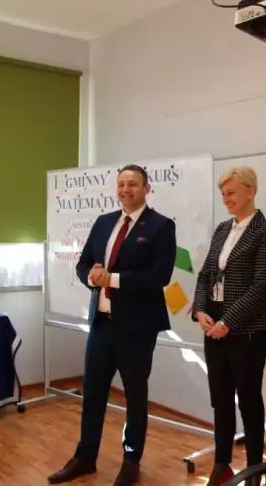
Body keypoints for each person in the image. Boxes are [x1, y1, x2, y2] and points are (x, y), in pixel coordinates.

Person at [48, 164, 177, 486]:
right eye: (121, 184)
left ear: (147, 188)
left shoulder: (161, 226)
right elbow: (83, 263)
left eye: (132, 184)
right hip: (101, 325)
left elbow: (160, 276)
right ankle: (85, 457)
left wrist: (113, 279)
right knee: (93, 393)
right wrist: (91, 277)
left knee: (135, 397)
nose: (125, 190)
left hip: (137, 329)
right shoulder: (104, 222)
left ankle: (131, 461)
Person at [191, 166, 266, 486]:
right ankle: (221, 465)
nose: (226, 198)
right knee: (220, 398)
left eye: (231, 192)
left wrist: (228, 321)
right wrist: (199, 310)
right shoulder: (222, 229)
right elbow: (205, 275)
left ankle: (255, 468)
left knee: (248, 397)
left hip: (248, 329)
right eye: (223, 193)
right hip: (214, 323)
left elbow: (262, 286)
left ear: (250, 191)